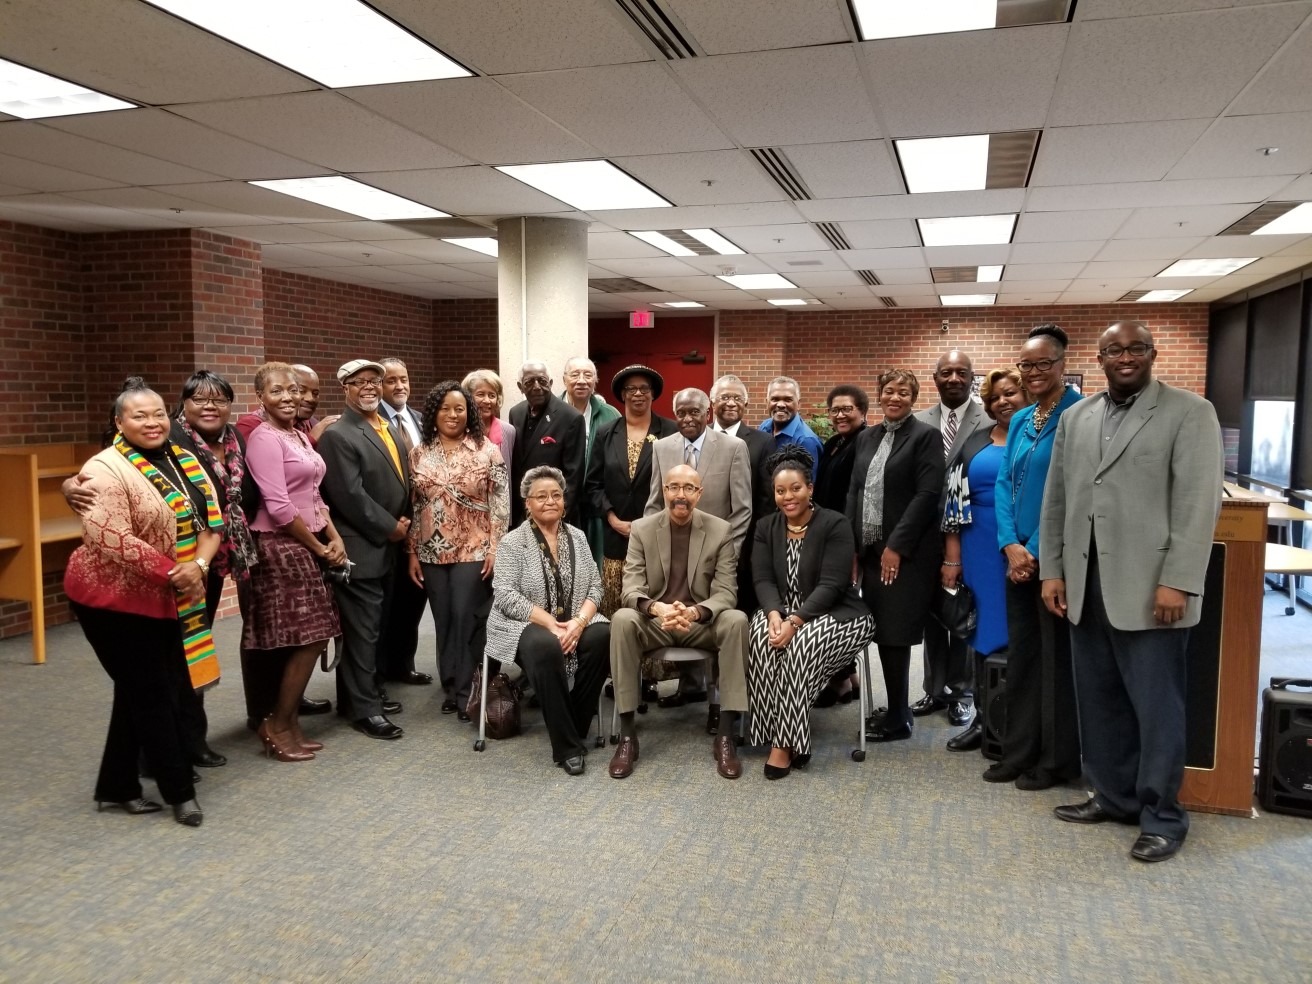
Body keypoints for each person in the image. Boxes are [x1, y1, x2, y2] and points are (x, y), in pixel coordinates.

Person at [1042, 322, 1223, 863]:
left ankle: (1162, 816)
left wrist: (1179, 580)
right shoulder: (1077, 417)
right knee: (1099, 699)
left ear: (1152, 354)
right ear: (1099, 359)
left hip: (1151, 588)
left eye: (1136, 348)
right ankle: (1113, 796)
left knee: (1156, 707)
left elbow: (1197, 503)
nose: (1126, 358)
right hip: (1086, 583)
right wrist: (1054, 570)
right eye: (1114, 350)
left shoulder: (1190, 412)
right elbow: (1058, 500)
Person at [65, 378, 221, 827]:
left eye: (158, 414)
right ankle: (180, 793)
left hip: (169, 593)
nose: (152, 422)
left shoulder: (184, 459)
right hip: (111, 599)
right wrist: (179, 573)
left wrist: (199, 566)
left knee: (139, 687)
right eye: (139, 415)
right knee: (153, 692)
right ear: (119, 422)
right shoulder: (103, 468)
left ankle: (116, 787)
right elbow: (110, 538)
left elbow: (212, 522)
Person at [608, 463, 750, 781]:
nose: (680, 495)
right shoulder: (642, 529)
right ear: (664, 491)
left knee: (736, 620)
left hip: (699, 623)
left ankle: (726, 735)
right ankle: (628, 736)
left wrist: (695, 612)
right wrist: (656, 608)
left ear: (699, 494)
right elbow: (631, 589)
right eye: (674, 487)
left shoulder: (720, 530)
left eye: (688, 488)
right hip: (657, 621)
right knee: (622, 619)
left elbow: (726, 592)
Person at [988, 324, 1085, 789]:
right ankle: (1018, 752)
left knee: (1055, 663)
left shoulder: (1080, 415)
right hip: (1017, 560)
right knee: (1023, 658)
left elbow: (1076, 493)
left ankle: (1054, 761)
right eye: (1026, 364)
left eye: (1044, 363)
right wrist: (1010, 544)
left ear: (1063, 364)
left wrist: (1037, 551)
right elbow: (1005, 482)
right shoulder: (1023, 418)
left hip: (1057, 562)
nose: (1033, 371)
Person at [748, 447, 874, 778]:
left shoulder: (835, 524)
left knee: (800, 646)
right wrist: (774, 615)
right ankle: (773, 730)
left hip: (838, 613)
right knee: (759, 636)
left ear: (810, 488)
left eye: (795, 488)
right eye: (780, 491)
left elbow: (833, 585)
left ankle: (784, 743)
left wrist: (795, 622)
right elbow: (762, 579)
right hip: (782, 610)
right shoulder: (765, 527)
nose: (788, 497)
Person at [242, 362, 346, 762]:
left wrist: (334, 537)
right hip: (278, 546)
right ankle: (276, 723)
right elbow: (280, 506)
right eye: (277, 391)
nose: (289, 397)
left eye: (293, 390)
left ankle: (288, 723)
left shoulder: (299, 435)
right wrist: (319, 548)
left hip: (307, 541)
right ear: (261, 397)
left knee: (313, 636)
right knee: (309, 637)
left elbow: (314, 494)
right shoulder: (264, 439)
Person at [484, 466, 609, 775]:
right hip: (524, 623)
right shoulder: (513, 542)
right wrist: (552, 624)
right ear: (527, 503)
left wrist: (579, 623)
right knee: (544, 647)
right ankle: (568, 746)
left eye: (556, 495)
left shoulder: (578, 537)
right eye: (541, 496)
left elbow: (596, 587)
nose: (550, 501)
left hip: (574, 619)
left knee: (604, 635)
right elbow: (505, 595)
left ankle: (574, 724)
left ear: (564, 501)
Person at [846, 368, 944, 743]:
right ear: (880, 395)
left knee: (895, 634)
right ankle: (897, 709)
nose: (895, 397)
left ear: (913, 398)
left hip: (905, 555)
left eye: (904, 392)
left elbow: (927, 496)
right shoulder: (866, 437)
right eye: (889, 390)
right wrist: (852, 547)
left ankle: (899, 718)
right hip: (870, 551)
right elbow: (855, 490)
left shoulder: (925, 437)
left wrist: (896, 546)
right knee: (883, 632)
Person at [644, 385, 752, 725]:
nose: (688, 418)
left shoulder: (734, 447)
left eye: (695, 412)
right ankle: (691, 686)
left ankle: (719, 701)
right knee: (679, 609)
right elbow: (654, 503)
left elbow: (742, 509)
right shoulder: (662, 447)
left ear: (708, 413)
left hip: (717, 556)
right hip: (673, 552)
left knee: (716, 618)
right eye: (681, 412)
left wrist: (727, 553)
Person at [317, 359, 411, 741]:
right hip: (363, 545)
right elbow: (349, 496)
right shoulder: (338, 435)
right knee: (362, 632)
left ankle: (359, 697)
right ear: (345, 388)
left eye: (375, 380)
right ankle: (364, 711)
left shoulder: (386, 426)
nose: (369, 387)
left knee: (374, 628)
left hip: (386, 546)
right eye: (359, 382)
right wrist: (391, 527)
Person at [407, 380, 510, 722]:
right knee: (444, 619)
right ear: (433, 413)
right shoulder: (419, 452)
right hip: (431, 551)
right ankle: (451, 686)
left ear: (469, 413)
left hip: (474, 548)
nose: (452, 415)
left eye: (459, 409)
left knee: (467, 618)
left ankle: (469, 691)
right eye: (445, 409)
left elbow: (500, 504)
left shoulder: (486, 450)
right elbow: (415, 505)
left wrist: (495, 548)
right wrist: (411, 552)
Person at [940, 368, 1028, 751]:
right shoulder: (976, 440)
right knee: (981, 629)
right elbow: (954, 499)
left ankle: (1021, 725)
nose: (1003, 402)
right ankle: (984, 719)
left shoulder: (1039, 438)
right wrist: (953, 558)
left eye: (1011, 394)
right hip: (978, 547)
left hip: (1026, 545)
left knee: (1021, 630)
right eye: (995, 397)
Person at [914, 350, 989, 728]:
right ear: (935, 378)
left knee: (962, 613)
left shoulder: (988, 420)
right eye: (946, 372)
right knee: (931, 612)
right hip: (925, 534)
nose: (954, 378)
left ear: (973, 378)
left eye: (962, 372)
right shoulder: (918, 420)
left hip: (970, 530)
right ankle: (934, 688)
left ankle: (963, 693)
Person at [586, 365, 678, 616]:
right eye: (631, 389)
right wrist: (612, 519)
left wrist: (648, 522)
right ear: (623, 394)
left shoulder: (670, 431)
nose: (638, 394)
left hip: (658, 535)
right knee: (616, 609)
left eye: (644, 388)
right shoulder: (606, 433)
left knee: (653, 607)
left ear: (653, 393)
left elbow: (677, 482)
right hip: (616, 536)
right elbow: (593, 485)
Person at [811, 383, 869, 707]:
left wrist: (852, 547)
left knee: (837, 609)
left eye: (847, 409)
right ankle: (849, 678)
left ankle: (840, 682)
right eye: (835, 409)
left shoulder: (866, 441)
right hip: (827, 535)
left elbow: (860, 495)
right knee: (833, 605)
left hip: (847, 539)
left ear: (862, 411)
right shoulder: (834, 443)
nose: (840, 415)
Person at [376, 357, 433, 689]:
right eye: (391, 380)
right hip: (386, 527)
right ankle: (379, 672)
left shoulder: (421, 420)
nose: (399, 386)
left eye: (404, 379)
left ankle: (403, 664)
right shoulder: (372, 421)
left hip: (420, 527)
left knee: (412, 600)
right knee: (384, 605)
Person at [710, 374, 774, 614]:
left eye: (737, 398)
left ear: (746, 404)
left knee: (739, 611)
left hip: (745, 546)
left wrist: (755, 544)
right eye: (724, 397)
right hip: (702, 540)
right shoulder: (699, 436)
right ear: (712, 402)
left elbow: (766, 499)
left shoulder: (763, 442)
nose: (731, 403)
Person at [507, 361, 585, 528]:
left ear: (550, 383)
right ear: (520, 387)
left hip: (554, 514)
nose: (537, 387)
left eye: (542, 381)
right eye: (529, 382)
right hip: (523, 512)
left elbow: (574, 476)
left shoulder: (571, 418)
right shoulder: (516, 413)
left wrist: (558, 515)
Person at [561, 355, 619, 568]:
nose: (581, 380)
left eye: (588, 375)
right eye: (575, 374)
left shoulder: (610, 415)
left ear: (595, 381)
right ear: (564, 379)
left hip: (596, 502)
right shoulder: (553, 412)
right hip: (561, 501)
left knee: (595, 561)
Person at [758, 376, 823, 479]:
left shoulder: (806, 441)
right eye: (775, 399)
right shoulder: (764, 427)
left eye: (788, 400)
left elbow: (807, 484)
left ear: (798, 404)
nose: (780, 405)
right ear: (767, 402)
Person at [463, 368, 516, 471]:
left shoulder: (509, 432)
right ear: (468, 397)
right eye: (480, 394)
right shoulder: (459, 430)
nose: (487, 401)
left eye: (492, 395)